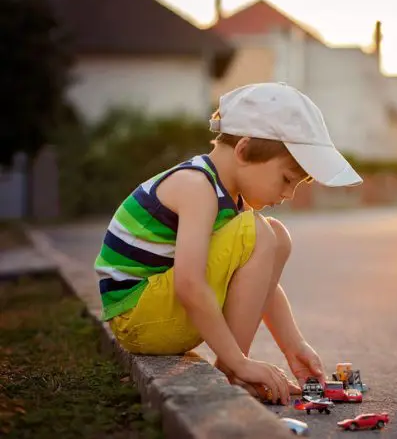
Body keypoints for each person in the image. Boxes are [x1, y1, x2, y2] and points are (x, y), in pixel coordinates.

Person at [93, 82, 362, 405]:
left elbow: (261, 283)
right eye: (287, 180)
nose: (288, 195)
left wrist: (294, 346)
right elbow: (190, 284)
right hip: (138, 317)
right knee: (264, 232)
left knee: (276, 236)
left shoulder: (229, 199)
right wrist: (239, 361)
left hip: (160, 316)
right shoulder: (196, 186)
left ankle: (232, 368)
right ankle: (232, 370)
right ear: (244, 149)